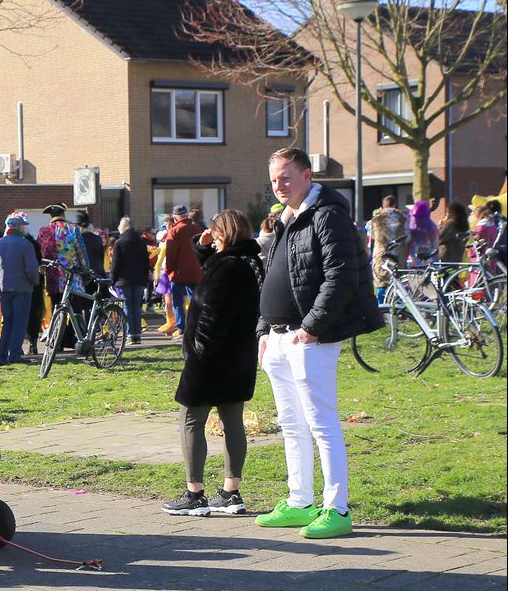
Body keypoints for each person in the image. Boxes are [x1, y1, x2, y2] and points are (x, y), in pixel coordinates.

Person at [255, 147, 382, 541]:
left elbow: (341, 275)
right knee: (291, 424)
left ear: (308, 176)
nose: (279, 185)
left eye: (286, 177)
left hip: (309, 338)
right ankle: (299, 501)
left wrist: (311, 328)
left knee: (322, 424)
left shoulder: (327, 215)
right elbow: (273, 277)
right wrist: (263, 330)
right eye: (274, 179)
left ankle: (336, 509)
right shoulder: (286, 219)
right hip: (279, 338)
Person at [162, 210, 262, 517]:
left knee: (191, 420)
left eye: (215, 233)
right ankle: (231, 493)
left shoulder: (226, 266)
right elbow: (214, 266)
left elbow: (213, 315)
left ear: (223, 234)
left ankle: (195, 494)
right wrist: (202, 246)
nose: (211, 238)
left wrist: (197, 353)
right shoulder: (249, 262)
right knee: (232, 422)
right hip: (240, 357)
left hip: (211, 359)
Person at [37, 203, 93, 349]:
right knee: (76, 310)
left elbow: (39, 255)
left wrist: (42, 271)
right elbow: (81, 252)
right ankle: (77, 340)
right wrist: (86, 271)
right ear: (63, 214)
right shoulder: (72, 229)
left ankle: (58, 342)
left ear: (51, 216)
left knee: (57, 309)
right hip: (72, 277)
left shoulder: (43, 231)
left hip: (53, 278)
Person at [0, 212, 38, 363]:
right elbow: (31, 269)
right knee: (20, 321)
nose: (25, 228)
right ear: (18, 227)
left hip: (4, 288)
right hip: (22, 287)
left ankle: (2, 355)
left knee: (7, 321)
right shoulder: (26, 244)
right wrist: (34, 282)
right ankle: (15, 354)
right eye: (23, 226)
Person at [108, 216, 150, 346]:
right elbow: (146, 262)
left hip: (124, 279)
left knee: (127, 307)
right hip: (139, 279)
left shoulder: (119, 242)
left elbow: (115, 264)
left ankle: (130, 335)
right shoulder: (141, 242)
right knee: (137, 307)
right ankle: (137, 335)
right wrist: (145, 279)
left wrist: (111, 279)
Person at [163, 204, 202, 335]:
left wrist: (168, 270)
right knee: (194, 301)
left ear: (175, 218)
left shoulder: (174, 231)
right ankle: (195, 327)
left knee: (178, 302)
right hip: (195, 271)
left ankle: (182, 330)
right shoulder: (197, 229)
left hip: (178, 272)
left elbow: (170, 254)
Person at [366, 196, 408, 301]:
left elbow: (372, 237)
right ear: (394, 205)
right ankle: (399, 308)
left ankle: (381, 307)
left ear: (383, 206)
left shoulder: (376, 220)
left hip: (381, 256)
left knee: (381, 284)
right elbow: (407, 237)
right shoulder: (403, 218)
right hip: (398, 256)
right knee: (398, 285)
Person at [407, 199, 439, 264]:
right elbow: (435, 243)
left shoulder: (411, 227)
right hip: (428, 256)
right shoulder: (431, 227)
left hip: (415, 256)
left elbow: (408, 243)